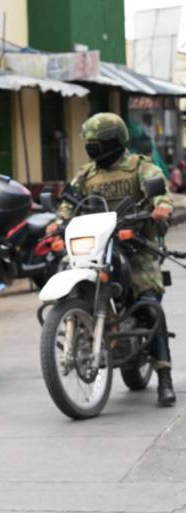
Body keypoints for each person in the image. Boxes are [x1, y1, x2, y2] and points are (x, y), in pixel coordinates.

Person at [47, 112, 175, 406]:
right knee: (67, 271)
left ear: (114, 142)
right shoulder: (87, 174)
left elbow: (160, 190)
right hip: (96, 245)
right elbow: (69, 202)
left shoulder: (139, 166)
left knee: (150, 307)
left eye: (97, 143)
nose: (91, 148)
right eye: (89, 143)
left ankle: (164, 378)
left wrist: (162, 206)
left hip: (135, 246)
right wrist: (58, 221)